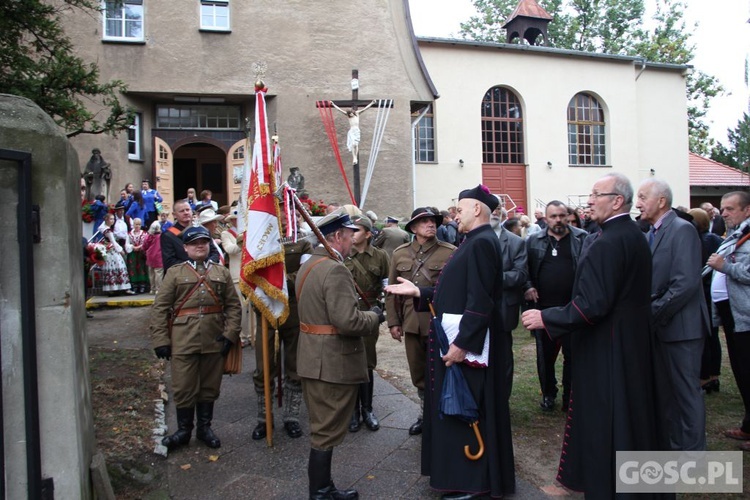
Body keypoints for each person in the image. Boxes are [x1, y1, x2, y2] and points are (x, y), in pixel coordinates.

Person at [521, 173, 665, 497]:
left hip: (610, 348)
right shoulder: (629, 234)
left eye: (595, 194)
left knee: (611, 422)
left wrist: (546, 316)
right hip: (628, 343)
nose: (588, 200)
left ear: (616, 201)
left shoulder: (611, 240)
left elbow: (592, 305)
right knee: (631, 419)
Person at [386, 185, 515, 498]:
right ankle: (462, 476)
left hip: (467, 345)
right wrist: (421, 293)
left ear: (477, 210)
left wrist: (462, 346)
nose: (455, 214)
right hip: (458, 339)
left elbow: (480, 301)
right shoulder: (473, 241)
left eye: (461, 208)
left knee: (466, 409)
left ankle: (473, 482)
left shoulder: (483, 243)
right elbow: (455, 291)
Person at [295, 209, 383, 499]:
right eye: (349, 235)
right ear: (336, 236)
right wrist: (374, 316)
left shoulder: (308, 265)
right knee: (326, 430)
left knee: (323, 427)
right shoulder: (334, 268)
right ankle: (321, 492)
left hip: (313, 357)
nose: (352, 240)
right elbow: (348, 322)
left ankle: (322, 488)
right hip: (331, 362)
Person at [150, 226, 241, 450]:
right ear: (186, 248)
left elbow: (233, 307)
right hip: (183, 339)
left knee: (209, 386)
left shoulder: (222, 272)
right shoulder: (175, 273)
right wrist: (161, 340)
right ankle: (183, 431)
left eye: (203, 241)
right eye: (194, 243)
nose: (199, 246)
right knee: (183, 386)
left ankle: (204, 428)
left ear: (210, 244)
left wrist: (230, 334)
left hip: (214, 338)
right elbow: (160, 309)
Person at [636, 179, 708, 451]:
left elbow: (685, 283)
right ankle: (673, 446)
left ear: (661, 201)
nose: (638, 202)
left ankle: (692, 454)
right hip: (662, 328)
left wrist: (652, 313)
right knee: (667, 394)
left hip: (682, 329)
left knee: (686, 393)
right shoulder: (650, 232)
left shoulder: (682, 229)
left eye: (643, 197)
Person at [385, 208, 455, 436]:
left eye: (433, 221)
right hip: (411, 322)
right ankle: (426, 415)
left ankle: (442, 415)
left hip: (438, 323)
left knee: (442, 370)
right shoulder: (399, 254)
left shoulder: (450, 252)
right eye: (424, 222)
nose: (430, 225)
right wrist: (393, 322)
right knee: (419, 374)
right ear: (413, 228)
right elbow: (391, 291)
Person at [251, 218, 313, 441]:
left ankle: (291, 417)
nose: (285, 219)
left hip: (294, 311)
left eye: (288, 215)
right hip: (265, 311)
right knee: (263, 367)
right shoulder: (259, 239)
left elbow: (305, 273)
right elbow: (249, 271)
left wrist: (279, 282)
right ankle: (263, 419)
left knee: (295, 366)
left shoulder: (303, 241)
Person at [524, 201, 588, 412]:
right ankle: (548, 393)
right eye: (553, 216)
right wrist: (529, 286)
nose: (558, 220)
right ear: (547, 218)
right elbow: (525, 269)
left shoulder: (582, 238)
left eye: (562, 215)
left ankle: (570, 396)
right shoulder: (534, 240)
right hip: (544, 309)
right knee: (545, 357)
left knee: (573, 355)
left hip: (573, 308)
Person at [706, 191, 750, 450]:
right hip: (730, 311)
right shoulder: (734, 235)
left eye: (731, 209)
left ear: (746, 211)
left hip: (745, 315)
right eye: (723, 208)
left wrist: (725, 267)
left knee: (747, 370)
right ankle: (747, 424)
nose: (724, 213)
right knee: (740, 370)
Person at [344, 215, 390, 433]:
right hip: (347, 314)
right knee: (350, 361)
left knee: (367, 362)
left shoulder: (380, 257)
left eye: (356, 231)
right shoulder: (342, 256)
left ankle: (368, 410)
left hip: (370, 314)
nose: (351, 234)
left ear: (368, 234)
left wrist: (383, 311)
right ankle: (353, 412)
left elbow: (387, 286)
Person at [491, 198, 528, 399]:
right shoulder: (470, 238)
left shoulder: (516, 242)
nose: (495, 212)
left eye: (498, 208)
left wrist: (493, 278)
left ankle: (502, 399)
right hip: (477, 310)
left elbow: (520, 275)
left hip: (504, 309)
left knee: (503, 357)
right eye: (492, 208)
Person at [688, 208, 723, 393]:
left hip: (703, 291)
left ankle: (705, 377)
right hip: (712, 292)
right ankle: (714, 376)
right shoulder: (715, 239)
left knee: (705, 336)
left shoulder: (699, 241)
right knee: (713, 336)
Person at [161, 200, 219, 271]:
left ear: (192, 211)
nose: (186, 213)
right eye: (182, 211)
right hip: (183, 275)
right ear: (174, 215)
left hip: (207, 272)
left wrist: (207, 265)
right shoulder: (168, 235)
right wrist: (195, 267)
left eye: (188, 210)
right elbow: (169, 261)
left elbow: (214, 253)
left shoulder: (203, 230)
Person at [97, 213, 134, 295]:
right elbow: (113, 242)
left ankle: (114, 288)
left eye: (113, 219)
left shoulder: (105, 228)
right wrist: (121, 250)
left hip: (110, 250)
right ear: (106, 219)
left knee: (114, 268)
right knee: (119, 266)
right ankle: (121, 288)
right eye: (111, 219)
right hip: (112, 251)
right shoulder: (108, 231)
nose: (113, 221)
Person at [330, 100, 376, 164]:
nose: (351, 115)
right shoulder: (348, 115)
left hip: (356, 130)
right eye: (349, 114)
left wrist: (372, 103)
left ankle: (355, 158)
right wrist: (333, 104)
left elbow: (365, 109)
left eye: (351, 113)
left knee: (356, 144)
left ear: (352, 112)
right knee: (353, 144)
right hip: (352, 130)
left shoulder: (357, 113)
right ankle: (354, 158)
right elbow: (339, 110)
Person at [127, 217, 150, 294]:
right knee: (133, 268)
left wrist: (140, 247)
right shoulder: (129, 234)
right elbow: (127, 243)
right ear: (133, 224)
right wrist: (132, 247)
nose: (137, 226)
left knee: (142, 268)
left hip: (141, 253)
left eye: (139, 224)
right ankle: (135, 285)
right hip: (133, 254)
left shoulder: (144, 233)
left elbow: (146, 242)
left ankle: (142, 285)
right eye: (136, 224)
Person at [142, 221, 164, 294]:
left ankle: (152, 289)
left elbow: (144, 246)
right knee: (159, 273)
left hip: (150, 256)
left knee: (151, 274)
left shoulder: (148, 236)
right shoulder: (161, 236)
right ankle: (158, 289)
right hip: (159, 257)